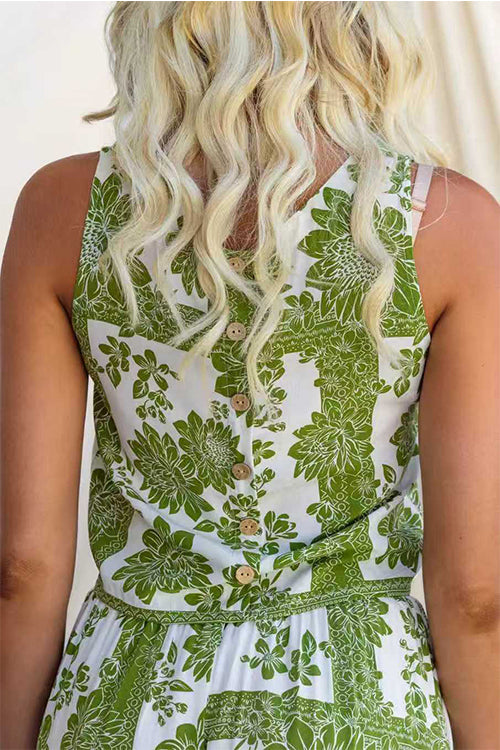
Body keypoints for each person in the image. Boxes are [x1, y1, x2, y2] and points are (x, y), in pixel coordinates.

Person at [1, 2, 499, 749]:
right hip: (363, 709)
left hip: (125, 701)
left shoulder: (63, 210)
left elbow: (23, 567)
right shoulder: (449, 226)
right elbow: (476, 596)